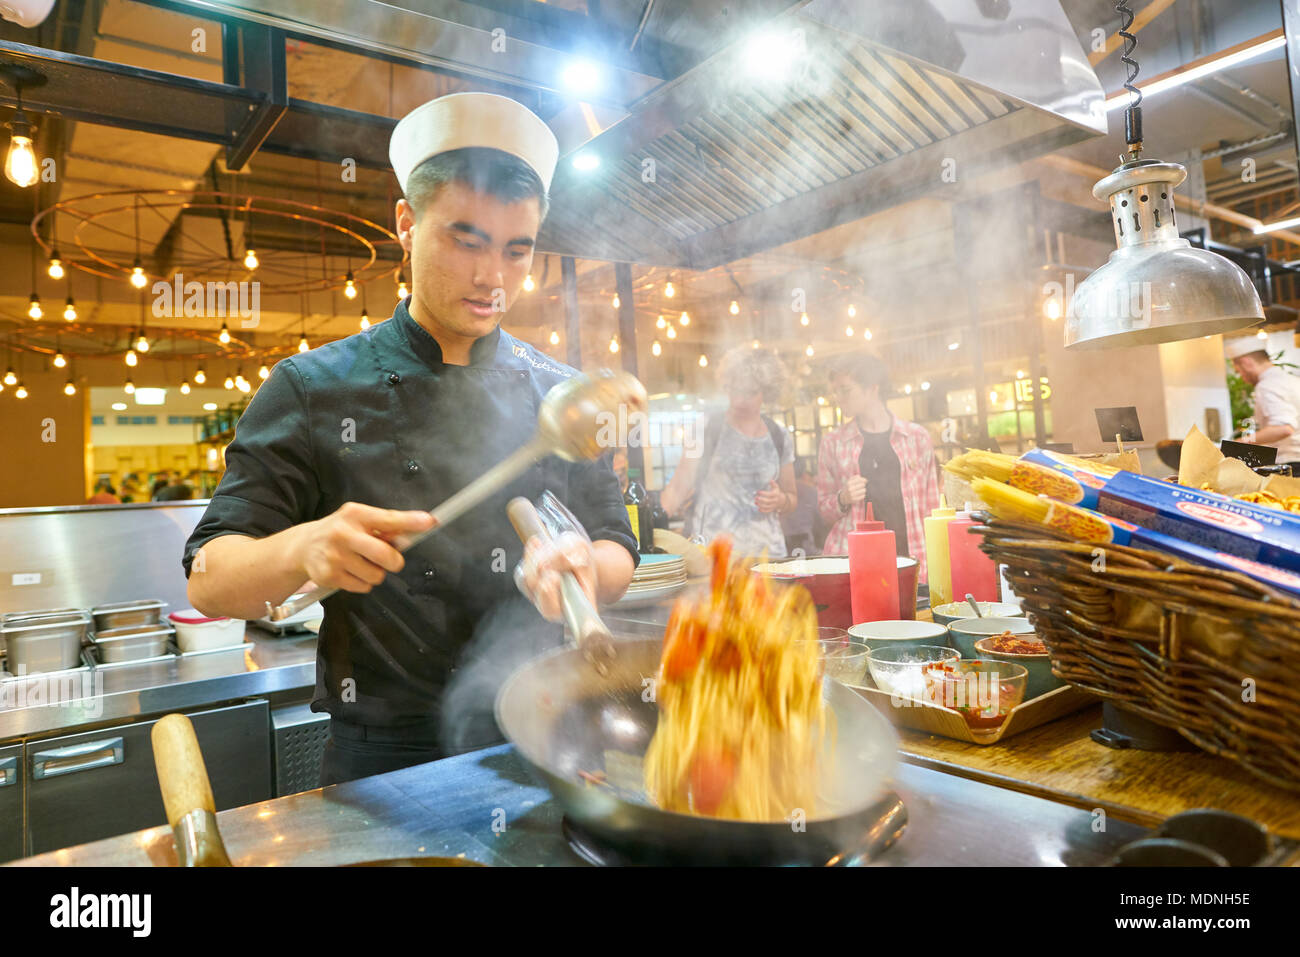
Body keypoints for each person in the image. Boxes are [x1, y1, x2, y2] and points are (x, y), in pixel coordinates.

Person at [182, 92, 637, 786]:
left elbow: (616, 542)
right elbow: (210, 577)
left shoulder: (560, 393)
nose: (494, 278)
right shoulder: (311, 387)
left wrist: (585, 569)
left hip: (546, 734)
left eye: (518, 251)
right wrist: (303, 546)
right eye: (467, 239)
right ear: (406, 221)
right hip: (383, 763)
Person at [659, 346, 797, 558]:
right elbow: (677, 488)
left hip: (770, 558)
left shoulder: (779, 435)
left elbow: (792, 498)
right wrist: (651, 527)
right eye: (735, 390)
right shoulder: (705, 428)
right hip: (715, 556)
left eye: (750, 392)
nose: (740, 399)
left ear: (766, 391)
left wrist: (780, 500)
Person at [817, 353, 940, 580]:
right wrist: (842, 498)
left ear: (872, 388)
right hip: (852, 564)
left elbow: (931, 510)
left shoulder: (916, 438)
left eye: (845, 390)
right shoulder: (833, 443)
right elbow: (823, 511)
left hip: (910, 558)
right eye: (835, 391)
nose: (838, 398)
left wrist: (938, 563)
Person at [1227, 338, 1300, 466]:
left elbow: (1283, 428)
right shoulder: (1293, 380)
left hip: (1291, 464)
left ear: (1246, 363)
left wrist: (1238, 443)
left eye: (1240, 372)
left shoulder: (1267, 385)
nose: (1243, 379)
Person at [780, 458, 819, 557]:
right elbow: (821, 520)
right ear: (804, 473)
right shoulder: (812, 491)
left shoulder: (779, 492)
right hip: (806, 548)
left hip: (783, 547)